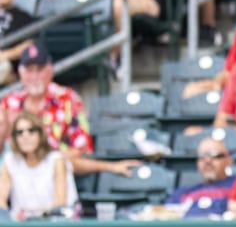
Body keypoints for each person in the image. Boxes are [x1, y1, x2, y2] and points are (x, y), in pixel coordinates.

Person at [1, 45, 136, 176]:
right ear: (21, 73)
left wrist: (44, 159)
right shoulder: (8, 103)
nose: (34, 76)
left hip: (57, 172)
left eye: (39, 69)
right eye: (29, 70)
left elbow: (82, 148)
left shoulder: (68, 99)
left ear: (50, 71)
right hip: (14, 177)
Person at [0, 108, 75, 218]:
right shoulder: (10, 161)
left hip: (57, 223)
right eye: (19, 132)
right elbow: (1, 198)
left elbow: (60, 202)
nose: (25, 136)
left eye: (31, 130)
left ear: (40, 134)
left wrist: (37, 218)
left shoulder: (55, 160)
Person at [166, 138, 236, 218]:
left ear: (229, 160)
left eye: (215, 155)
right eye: (202, 156)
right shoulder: (182, 193)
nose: (207, 161)